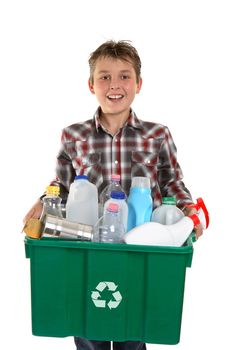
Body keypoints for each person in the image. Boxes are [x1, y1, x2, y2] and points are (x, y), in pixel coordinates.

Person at [23, 40, 203, 350]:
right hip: (87, 249)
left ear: (139, 84)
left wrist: (190, 215)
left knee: (133, 329)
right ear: (91, 84)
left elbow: (173, 183)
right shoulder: (74, 134)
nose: (114, 85)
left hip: (140, 248)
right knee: (87, 324)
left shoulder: (157, 134)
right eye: (104, 76)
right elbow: (62, 187)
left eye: (124, 76)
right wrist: (42, 201)